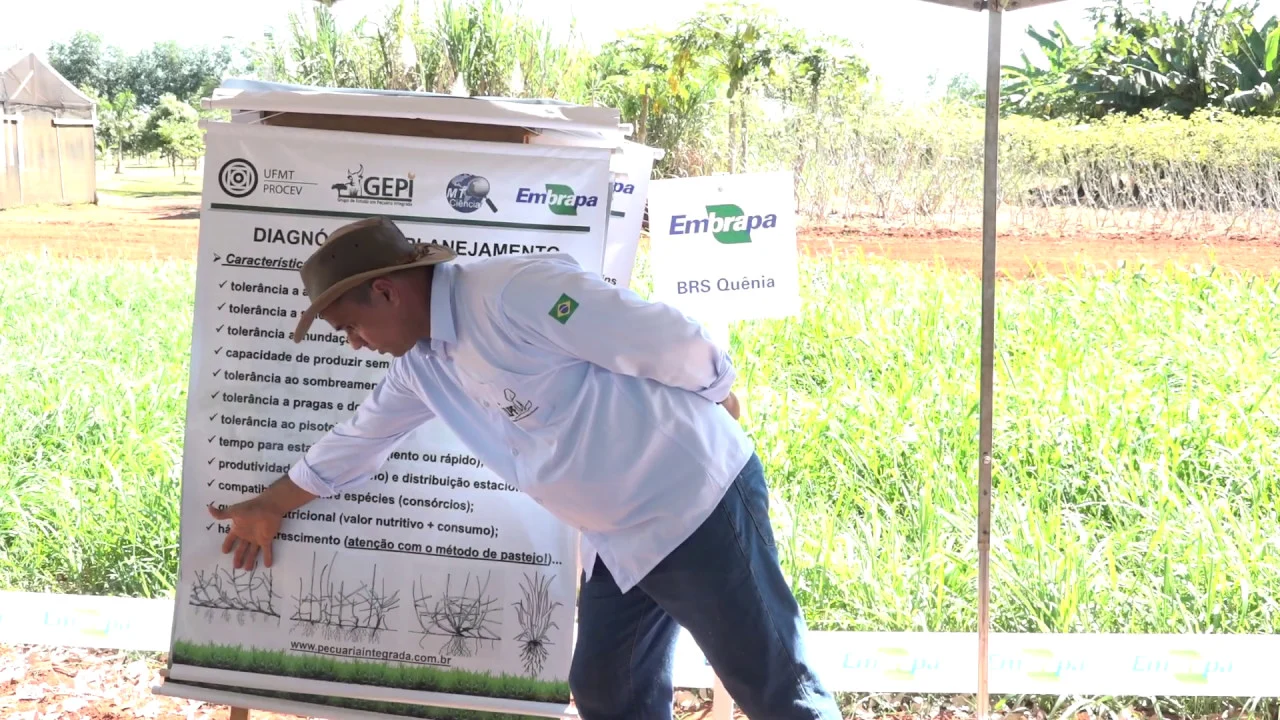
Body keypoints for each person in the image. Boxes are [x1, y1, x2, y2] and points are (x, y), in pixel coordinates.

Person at [208, 215, 841, 720]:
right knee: (608, 687)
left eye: (350, 326)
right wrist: (271, 504)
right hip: (619, 538)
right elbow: (360, 438)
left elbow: (656, 336)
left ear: (387, 291)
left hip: (692, 503)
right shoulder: (421, 366)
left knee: (772, 686)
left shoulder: (514, 293)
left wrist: (719, 390)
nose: (354, 344)